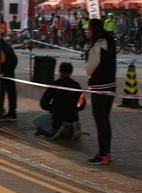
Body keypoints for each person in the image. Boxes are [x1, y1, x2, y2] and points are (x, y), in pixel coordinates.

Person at [85, 18, 117, 165]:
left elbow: (89, 70)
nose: (86, 31)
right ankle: (106, 152)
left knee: (100, 121)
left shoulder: (96, 47)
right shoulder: (110, 43)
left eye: (88, 29)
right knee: (105, 120)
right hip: (111, 86)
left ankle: (102, 154)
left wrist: (87, 55)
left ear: (94, 31)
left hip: (99, 88)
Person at [34, 62, 86, 139]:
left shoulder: (54, 84)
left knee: (37, 120)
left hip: (57, 117)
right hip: (72, 117)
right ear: (71, 72)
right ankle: (70, 131)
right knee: (67, 122)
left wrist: (53, 108)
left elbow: (43, 103)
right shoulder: (76, 85)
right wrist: (73, 109)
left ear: (59, 71)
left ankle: (54, 131)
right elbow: (82, 104)